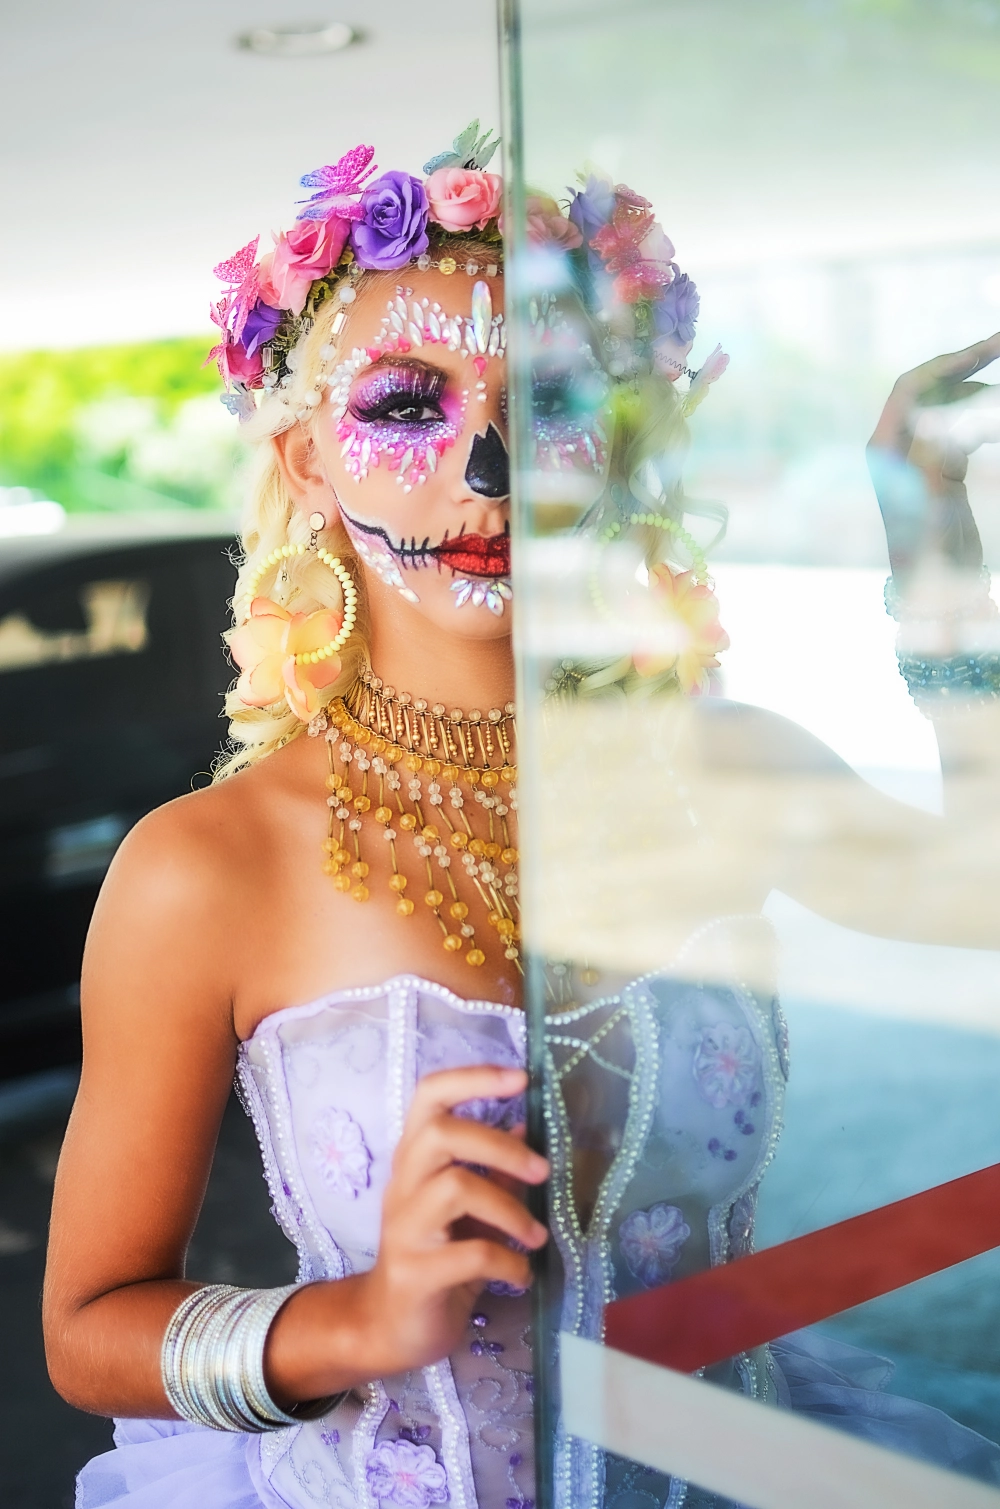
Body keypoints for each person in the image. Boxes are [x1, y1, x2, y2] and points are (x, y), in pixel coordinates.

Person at [44, 124, 1000, 1509]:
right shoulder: (206, 866)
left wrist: (932, 538)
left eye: (546, 394)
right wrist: (359, 1324)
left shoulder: (719, 769)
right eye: (402, 403)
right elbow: (88, 1330)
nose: (485, 466)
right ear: (308, 460)